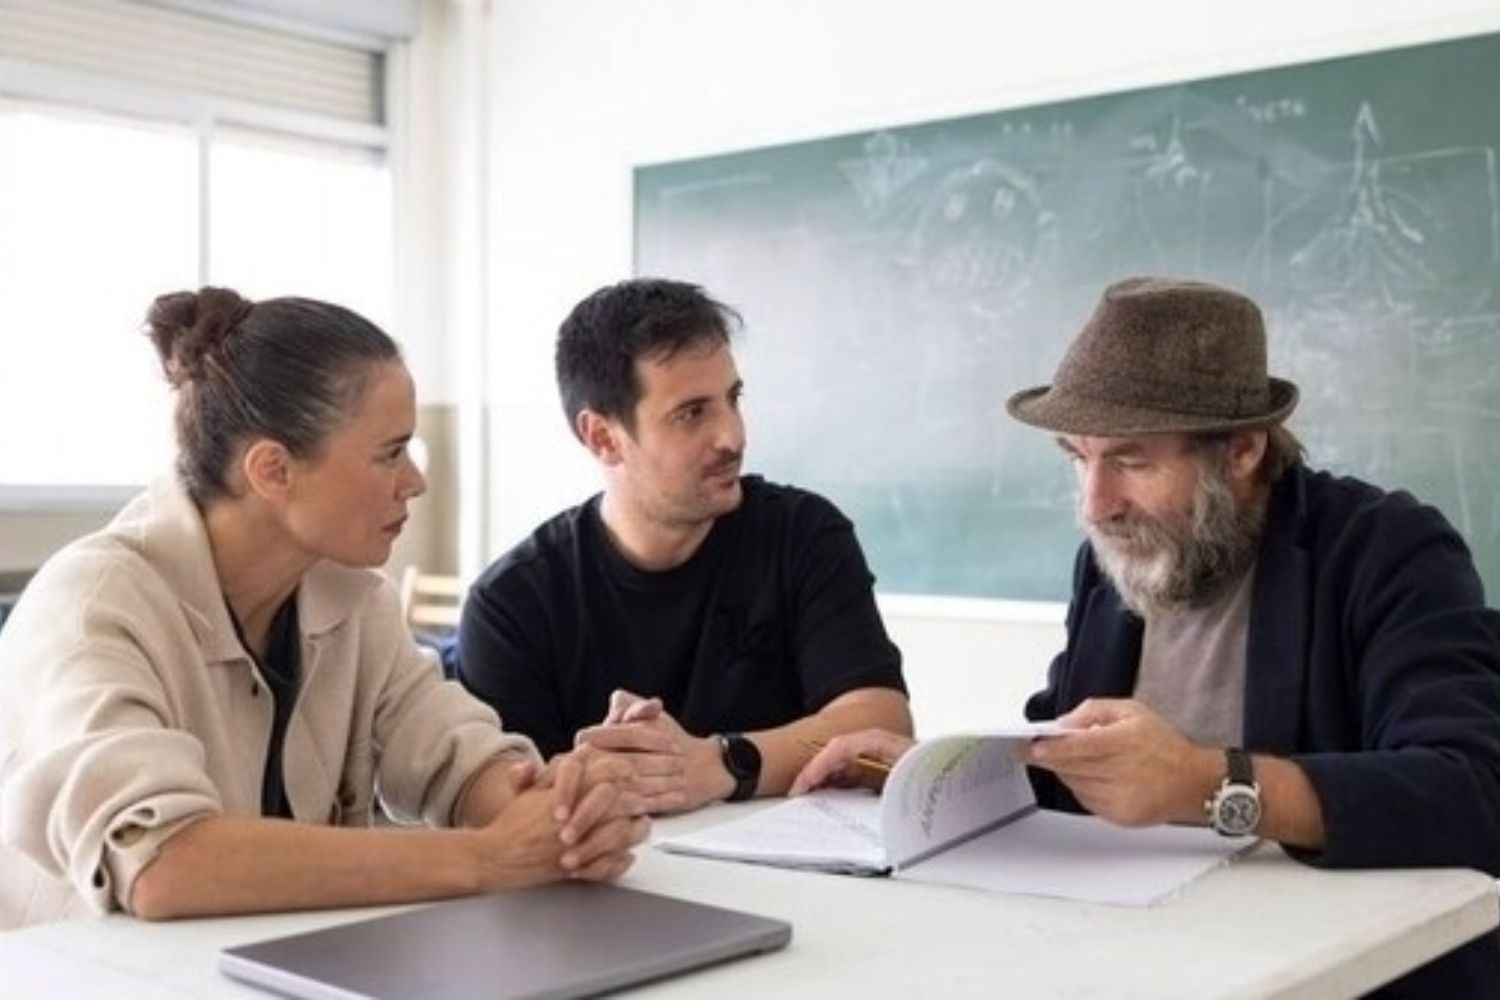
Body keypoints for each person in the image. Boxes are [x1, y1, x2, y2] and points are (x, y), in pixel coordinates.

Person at [793, 276, 1500, 997]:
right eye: (1078, 458)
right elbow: (1069, 759)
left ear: (1243, 449)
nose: (1096, 505)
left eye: (1131, 461)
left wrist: (1203, 783)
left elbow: (1471, 790)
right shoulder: (1119, 561)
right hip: (1145, 958)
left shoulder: (1387, 550)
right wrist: (930, 773)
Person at [0, 288, 647, 928]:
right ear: (273, 471)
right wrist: (484, 858)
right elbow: (161, 864)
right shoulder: (91, 606)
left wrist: (556, 808)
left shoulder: (353, 596)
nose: (415, 482)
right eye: (390, 453)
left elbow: (456, 755)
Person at [458, 277, 912, 814]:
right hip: (603, 890)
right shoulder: (512, 603)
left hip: (787, 893)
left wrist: (724, 762)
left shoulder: (804, 534)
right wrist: (614, 770)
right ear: (602, 437)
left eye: (733, 399)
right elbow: (507, 801)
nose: (733, 436)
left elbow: (880, 724)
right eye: (692, 413)